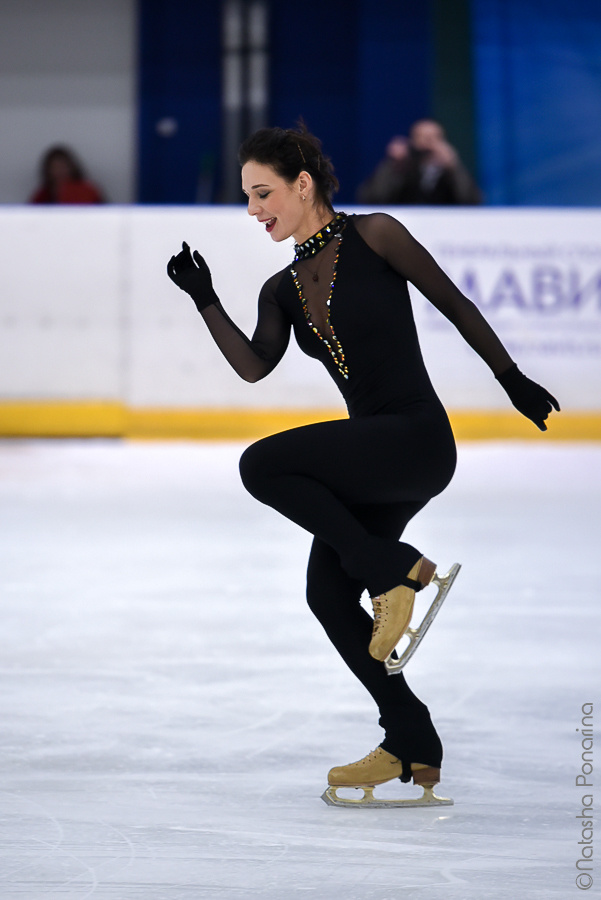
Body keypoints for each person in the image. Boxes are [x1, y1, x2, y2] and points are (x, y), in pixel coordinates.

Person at [167, 124, 558, 807]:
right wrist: (203, 298)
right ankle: (410, 737)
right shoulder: (280, 289)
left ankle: (391, 567)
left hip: (413, 440)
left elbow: (454, 304)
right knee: (324, 593)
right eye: (247, 198)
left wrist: (511, 378)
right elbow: (255, 368)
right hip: (372, 457)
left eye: (263, 194)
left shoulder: (374, 233)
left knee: (262, 464)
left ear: (303, 184)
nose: (254, 210)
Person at [356, 119, 482, 206]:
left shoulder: (450, 171)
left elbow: (471, 200)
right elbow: (372, 198)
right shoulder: (402, 168)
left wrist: (454, 168)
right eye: (422, 137)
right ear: (412, 140)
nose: (428, 143)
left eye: (434, 138)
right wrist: (393, 165)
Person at [29, 145, 104, 205]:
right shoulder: (43, 194)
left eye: (63, 166)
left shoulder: (88, 190)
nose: (60, 171)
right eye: (55, 167)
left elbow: (106, 212)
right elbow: (30, 214)